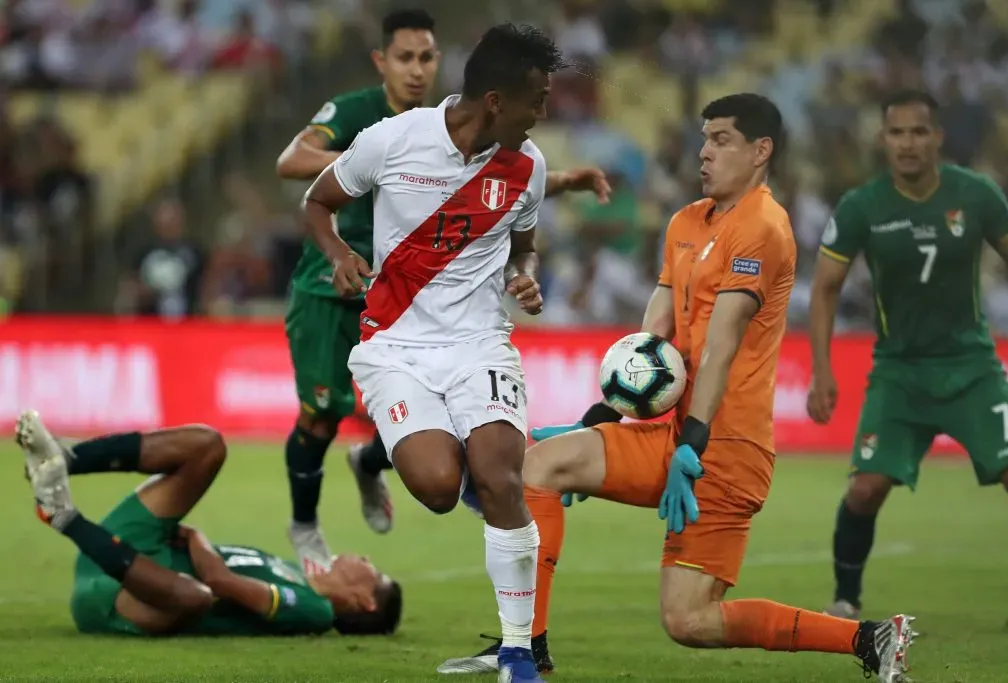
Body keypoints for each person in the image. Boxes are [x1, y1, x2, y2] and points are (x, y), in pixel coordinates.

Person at [438, 94, 916, 683]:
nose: (704, 152)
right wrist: (600, 417)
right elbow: (649, 343)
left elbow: (721, 344)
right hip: (673, 433)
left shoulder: (764, 228)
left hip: (726, 448)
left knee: (689, 621)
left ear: (760, 151)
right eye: (704, 138)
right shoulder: (686, 222)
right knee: (542, 466)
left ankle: (869, 639)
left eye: (721, 140)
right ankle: (525, 648)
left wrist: (694, 439)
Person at [275, 9, 610, 572]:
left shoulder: (490, 135)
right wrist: (375, 167)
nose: (416, 69)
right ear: (382, 62)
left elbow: (494, 195)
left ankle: (378, 462)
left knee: (439, 424)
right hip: (334, 281)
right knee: (321, 415)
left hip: (418, 297)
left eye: (426, 57)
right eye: (404, 57)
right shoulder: (369, 120)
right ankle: (306, 526)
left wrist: (562, 182)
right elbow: (294, 164)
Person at [300, 22, 567, 683]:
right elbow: (319, 200)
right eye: (537, 99)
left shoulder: (527, 166)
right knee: (441, 486)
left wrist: (521, 272)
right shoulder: (394, 141)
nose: (544, 113)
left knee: (504, 481)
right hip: (396, 346)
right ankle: (382, 456)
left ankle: (516, 656)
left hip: (480, 341)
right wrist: (338, 253)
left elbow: (523, 241)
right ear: (497, 100)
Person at [806, 89, 1008, 619]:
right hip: (900, 374)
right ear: (883, 140)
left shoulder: (976, 195)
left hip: (972, 368)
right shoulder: (862, 206)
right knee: (864, 489)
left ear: (937, 138)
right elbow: (826, 287)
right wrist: (822, 371)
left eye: (918, 131)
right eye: (897, 132)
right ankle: (845, 599)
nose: (908, 143)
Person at [15, 410, 401, 637]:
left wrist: (198, 539)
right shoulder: (292, 573)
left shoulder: (316, 611)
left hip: (125, 598)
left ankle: (62, 515)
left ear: (365, 602)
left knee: (197, 598)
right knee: (208, 446)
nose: (365, 557)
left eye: (373, 569)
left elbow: (220, 583)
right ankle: (63, 459)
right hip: (141, 551)